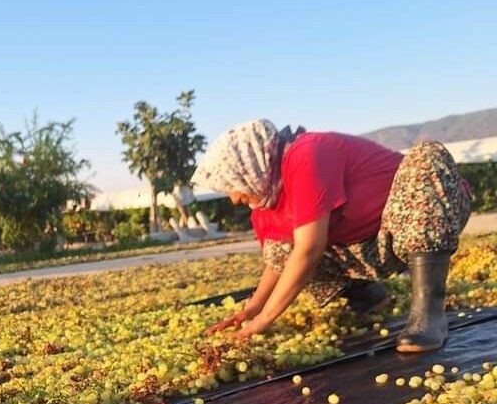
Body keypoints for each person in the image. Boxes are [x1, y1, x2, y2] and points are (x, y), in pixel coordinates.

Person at [192, 119, 472, 353]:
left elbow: (309, 250)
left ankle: (429, 314)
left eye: (232, 185)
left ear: (248, 168)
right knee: (282, 249)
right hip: (375, 244)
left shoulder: (306, 154)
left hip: (431, 214)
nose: (233, 198)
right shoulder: (267, 199)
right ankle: (369, 297)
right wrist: (251, 309)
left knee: (425, 156)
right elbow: (277, 261)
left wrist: (266, 319)